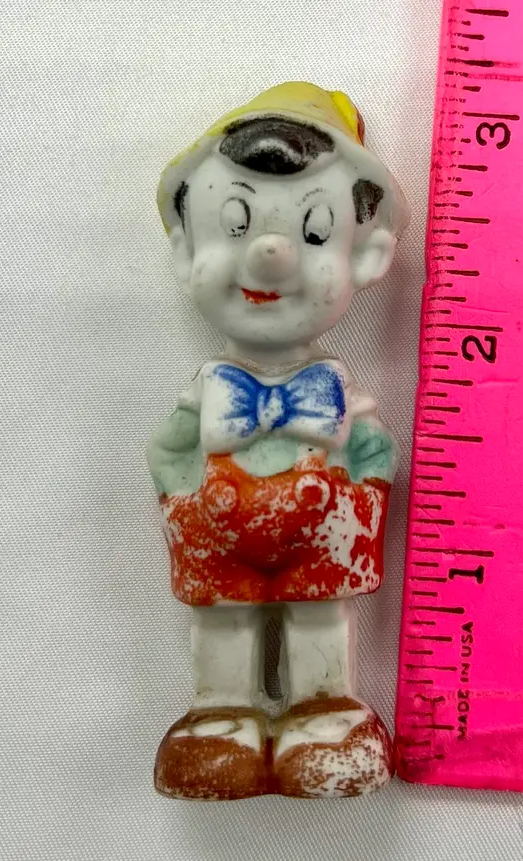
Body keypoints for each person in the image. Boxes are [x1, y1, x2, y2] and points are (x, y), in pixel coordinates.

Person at [149, 82, 409, 799]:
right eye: (234, 225)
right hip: (221, 528)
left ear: (368, 256)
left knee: (320, 617)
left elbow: (374, 451)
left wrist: (365, 484)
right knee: (223, 624)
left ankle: (325, 713)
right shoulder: (207, 391)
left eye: (314, 232)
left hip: (317, 534)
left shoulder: (336, 394)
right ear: (185, 250)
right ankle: (221, 716)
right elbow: (169, 451)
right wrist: (179, 496)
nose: (269, 254)